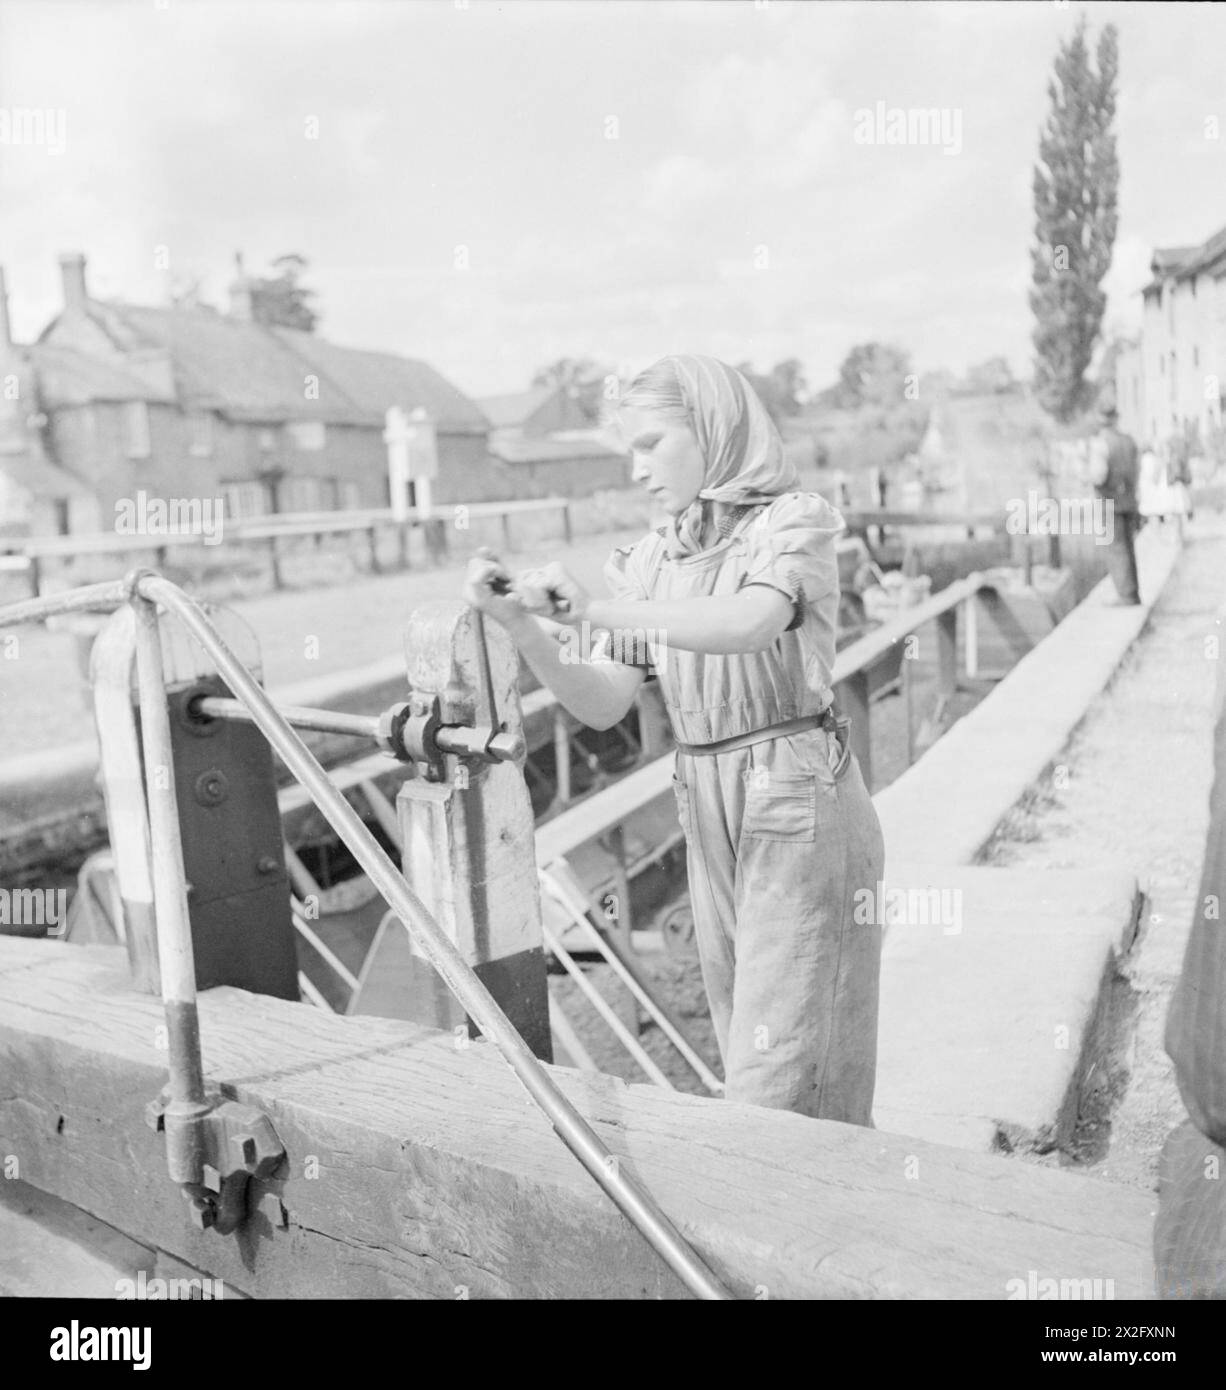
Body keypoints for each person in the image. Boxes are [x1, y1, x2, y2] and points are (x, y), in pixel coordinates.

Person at [464, 354, 885, 1125]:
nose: (638, 469)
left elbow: (751, 621)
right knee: (750, 1043)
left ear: (715, 431)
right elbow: (600, 703)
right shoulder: (656, 560)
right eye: (631, 450)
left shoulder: (790, 524)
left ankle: (792, 1222)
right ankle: (808, 1223)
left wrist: (597, 612)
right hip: (707, 800)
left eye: (652, 443)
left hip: (793, 795)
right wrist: (523, 626)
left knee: (781, 1070)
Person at [1089, 402, 1141, 606]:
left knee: (1115, 548)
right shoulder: (1129, 441)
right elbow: (1137, 471)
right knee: (1128, 547)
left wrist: (1087, 477)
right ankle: (1132, 593)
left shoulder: (1101, 443)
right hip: (1128, 500)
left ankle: (1126, 595)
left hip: (1109, 501)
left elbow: (1098, 476)